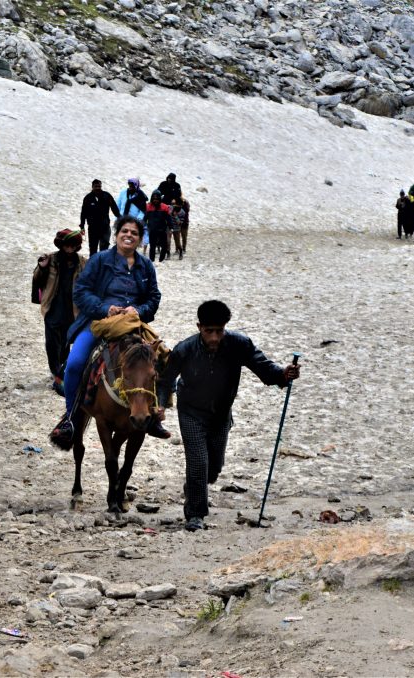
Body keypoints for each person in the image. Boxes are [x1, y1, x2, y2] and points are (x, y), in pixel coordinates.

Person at [157, 300, 301, 532]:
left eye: (219, 331)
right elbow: (165, 381)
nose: (214, 337)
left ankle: (194, 488)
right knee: (198, 462)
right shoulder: (184, 349)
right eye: (209, 332)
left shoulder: (239, 344)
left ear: (225, 328)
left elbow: (263, 367)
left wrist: (283, 374)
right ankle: (195, 515)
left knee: (213, 468)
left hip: (221, 413)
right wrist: (161, 405)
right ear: (199, 327)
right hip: (191, 412)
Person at [56, 216, 168, 439]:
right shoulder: (99, 261)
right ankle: (70, 418)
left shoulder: (145, 265)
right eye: (124, 231)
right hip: (99, 323)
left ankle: (153, 414)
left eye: (134, 233)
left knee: (163, 359)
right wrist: (105, 308)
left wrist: (139, 310)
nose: (129, 235)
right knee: (76, 363)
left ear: (139, 239)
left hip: (132, 324)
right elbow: (81, 291)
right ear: (116, 235)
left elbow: (153, 297)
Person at [32, 229, 86, 395]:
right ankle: (55, 370)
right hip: (53, 307)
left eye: (72, 246)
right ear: (61, 245)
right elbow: (37, 279)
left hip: (72, 309)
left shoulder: (82, 262)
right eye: (66, 245)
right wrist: (41, 267)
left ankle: (61, 373)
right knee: (51, 342)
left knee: (65, 342)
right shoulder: (51, 259)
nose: (69, 249)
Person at [78, 180, 120, 255]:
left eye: (99, 186)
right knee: (93, 249)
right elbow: (83, 213)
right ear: (92, 187)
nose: (98, 188)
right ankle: (93, 265)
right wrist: (82, 226)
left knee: (104, 248)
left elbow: (114, 208)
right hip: (92, 228)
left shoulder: (107, 196)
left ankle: (102, 264)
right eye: (96, 186)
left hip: (105, 227)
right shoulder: (88, 198)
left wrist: (120, 219)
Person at [116, 178, 149, 254]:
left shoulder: (141, 196)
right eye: (129, 185)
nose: (130, 187)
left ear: (136, 186)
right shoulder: (123, 193)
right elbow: (118, 205)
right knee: (121, 236)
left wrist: (137, 220)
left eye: (132, 186)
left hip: (134, 221)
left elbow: (142, 210)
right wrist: (118, 217)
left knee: (131, 237)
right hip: (122, 219)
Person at [144, 191, 174, 262]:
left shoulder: (165, 207)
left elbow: (168, 218)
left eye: (157, 199)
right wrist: (141, 225)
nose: (155, 200)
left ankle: (161, 259)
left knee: (164, 246)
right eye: (154, 199)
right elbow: (145, 218)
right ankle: (152, 261)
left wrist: (171, 227)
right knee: (152, 246)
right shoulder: (148, 207)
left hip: (162, 229)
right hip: (152, 230)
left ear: (160, 199)